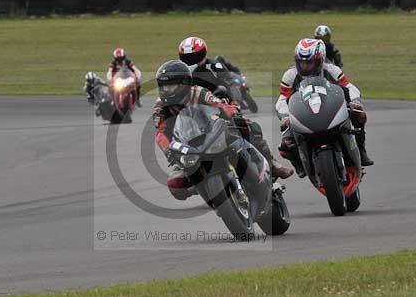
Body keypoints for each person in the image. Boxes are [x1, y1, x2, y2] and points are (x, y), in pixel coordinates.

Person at [154, 60, 293, 200]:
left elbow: (217, 103)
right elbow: (161, 134)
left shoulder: (197, 92)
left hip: (211, 132)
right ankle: (205, 188)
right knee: (175, 185)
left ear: (183, 83)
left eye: (170, 86)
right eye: (163, 86)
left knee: (250, 126)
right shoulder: (161, 107)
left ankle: (270, 162)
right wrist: (168, 151)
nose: (166, 90)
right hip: (188, 148)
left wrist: (230, 110)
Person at [276, 38, 374, 171]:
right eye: (301, 62)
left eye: (309, 62)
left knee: (360, 115)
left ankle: (361, 150)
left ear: (320, 60)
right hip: (302, 114)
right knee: (285, 146)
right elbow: (282, 99)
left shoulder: (332, 70)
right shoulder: (290, 75)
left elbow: (349, 87)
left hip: (330, 109)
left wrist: (354, 102)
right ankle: (300, 165)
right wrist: (285, 117)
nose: (305, 66)